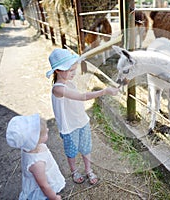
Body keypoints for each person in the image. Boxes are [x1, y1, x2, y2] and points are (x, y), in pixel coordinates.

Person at [46, 48, 119, 185]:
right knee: (72, 152)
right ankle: (74, 171)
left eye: (74, 69)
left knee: (86, 148)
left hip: (81, 121)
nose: (74, 73)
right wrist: (104, 91)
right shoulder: (58, 88)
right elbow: (82, 97)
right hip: (69, 127)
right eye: (70, 70)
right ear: (57, 70)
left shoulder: (69, 81)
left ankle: (88, 169)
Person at [6, 114, 65, 200]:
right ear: (35, 140)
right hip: (43, 193)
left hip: (46, 181)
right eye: (45, 133)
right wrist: (54, 197)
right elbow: (43, 185)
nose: (48, 130)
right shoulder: (37, 163)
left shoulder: (28, 148)